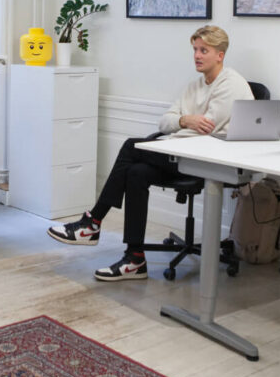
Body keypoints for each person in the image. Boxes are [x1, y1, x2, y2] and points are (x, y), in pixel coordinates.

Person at [47, 25, 253, 281]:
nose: (197, 56)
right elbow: (165, 122)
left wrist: (181, 125)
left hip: (209, 162)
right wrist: (185, 120)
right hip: (182, 153)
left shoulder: (231, 84)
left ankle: (92, 222)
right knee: (136, 172)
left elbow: (206, 129)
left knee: (131, 146)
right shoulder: (194, 87)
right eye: (195, 50)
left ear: (220, 55)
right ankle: (135, 259)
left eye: (204, 50)